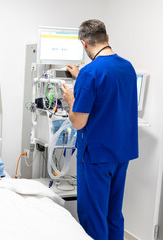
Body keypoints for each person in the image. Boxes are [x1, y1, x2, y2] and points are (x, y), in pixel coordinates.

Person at [61, 19, 138, 240]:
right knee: (113, 214)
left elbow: (78, 122)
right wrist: (81, 76)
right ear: (107, 39)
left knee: (93, 216)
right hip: (122, 153)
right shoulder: (127, 67)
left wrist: (71, 99)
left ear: (84, 44)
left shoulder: (91, 72)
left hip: (96, 155)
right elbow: (108, 89)